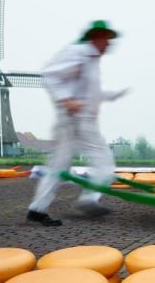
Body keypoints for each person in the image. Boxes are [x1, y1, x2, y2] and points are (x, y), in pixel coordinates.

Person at [27, 20, 129, 226]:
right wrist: (66, 99)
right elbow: (50, 74)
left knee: (58, 165)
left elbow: (91, 93)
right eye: (106, 39)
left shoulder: (90, 59)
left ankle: (36, 210)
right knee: (105, 162)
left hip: (74, 120)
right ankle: (89, 199)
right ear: (96, 37)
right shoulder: (79, 52)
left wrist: (113, 95)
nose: (108, 44)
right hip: (78, 119)